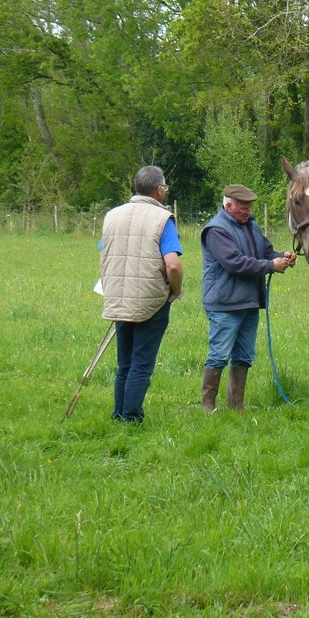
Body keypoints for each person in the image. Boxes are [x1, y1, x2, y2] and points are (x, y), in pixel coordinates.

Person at [199, 184, 296, 412]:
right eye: (244, 207)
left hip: (249, 302)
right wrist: (271, 265)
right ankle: (207, 407)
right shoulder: (216, 230)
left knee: (244, 356)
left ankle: (236, 407)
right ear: (228, 206)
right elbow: (234, 263)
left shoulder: (251, 225)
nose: (249, 212)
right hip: (225, 304)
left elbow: (265, 252)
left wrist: (281, 256)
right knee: (219, 356)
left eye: (250, 207)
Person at [99, 165, 184, 424]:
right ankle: (132, 418)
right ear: (159, 190)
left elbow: (104, 258)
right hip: (151, 301)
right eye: (164, 187)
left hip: (119, 298)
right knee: (141, 364)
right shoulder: (163, 219)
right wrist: (176, 290)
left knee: (124, 362)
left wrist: (111, 289)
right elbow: (172, 265)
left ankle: (119, 414)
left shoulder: (112, 216)